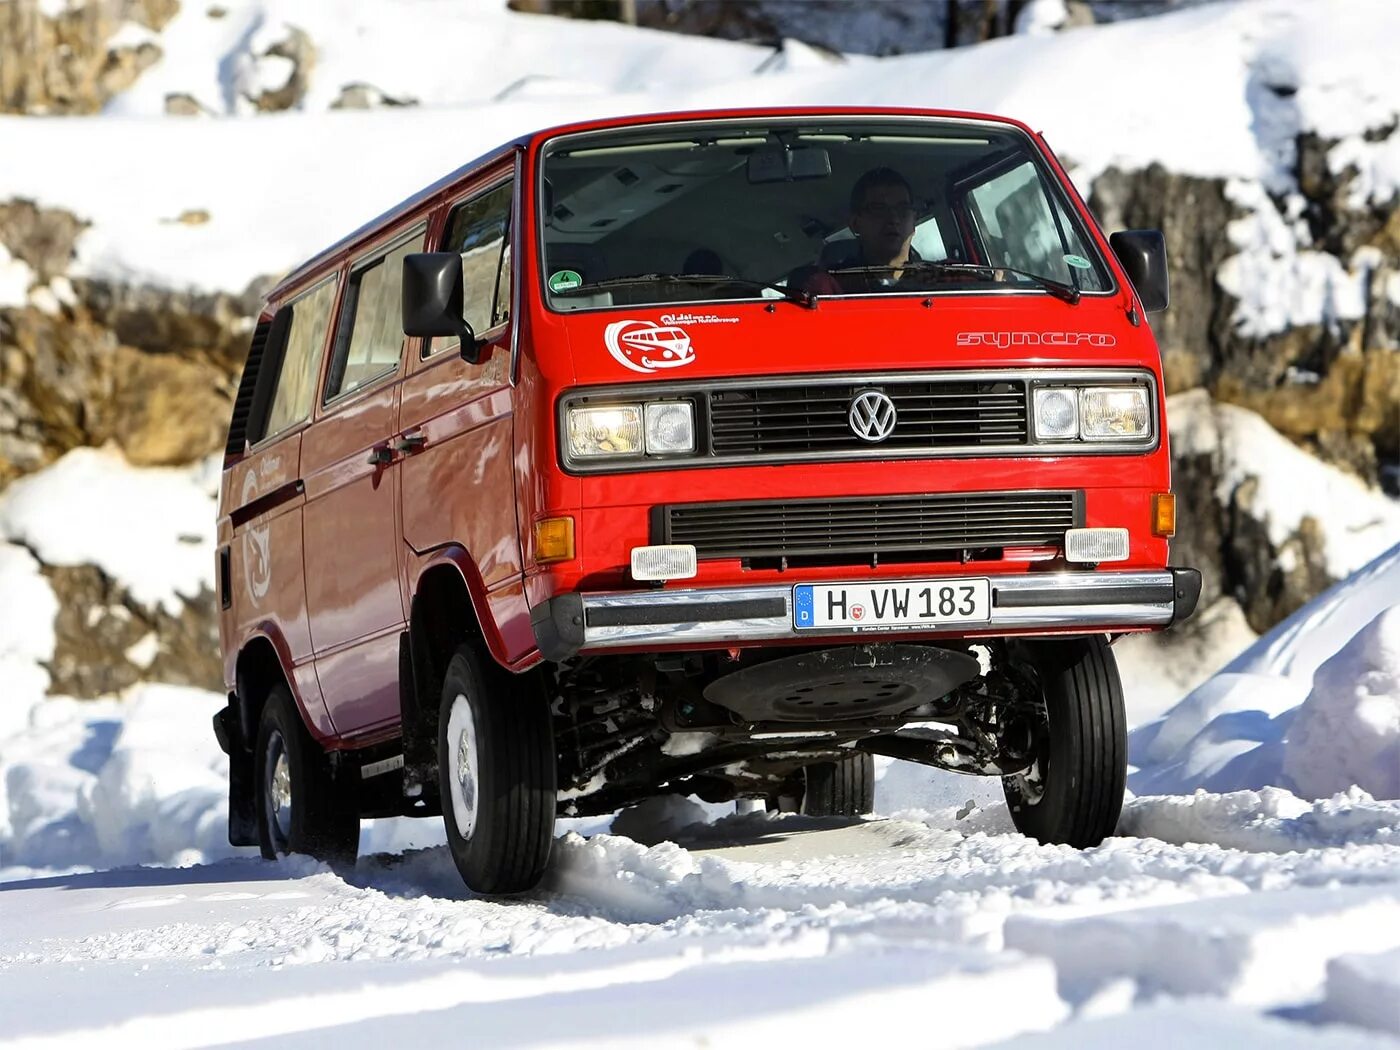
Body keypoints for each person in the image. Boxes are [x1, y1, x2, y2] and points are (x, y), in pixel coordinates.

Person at [799, 167, 922, 296]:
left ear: (914, 221)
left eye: (903, 208)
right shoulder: (831, 288)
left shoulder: (938, 281)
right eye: (878, 209)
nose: (894, 219)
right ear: (855, 224)